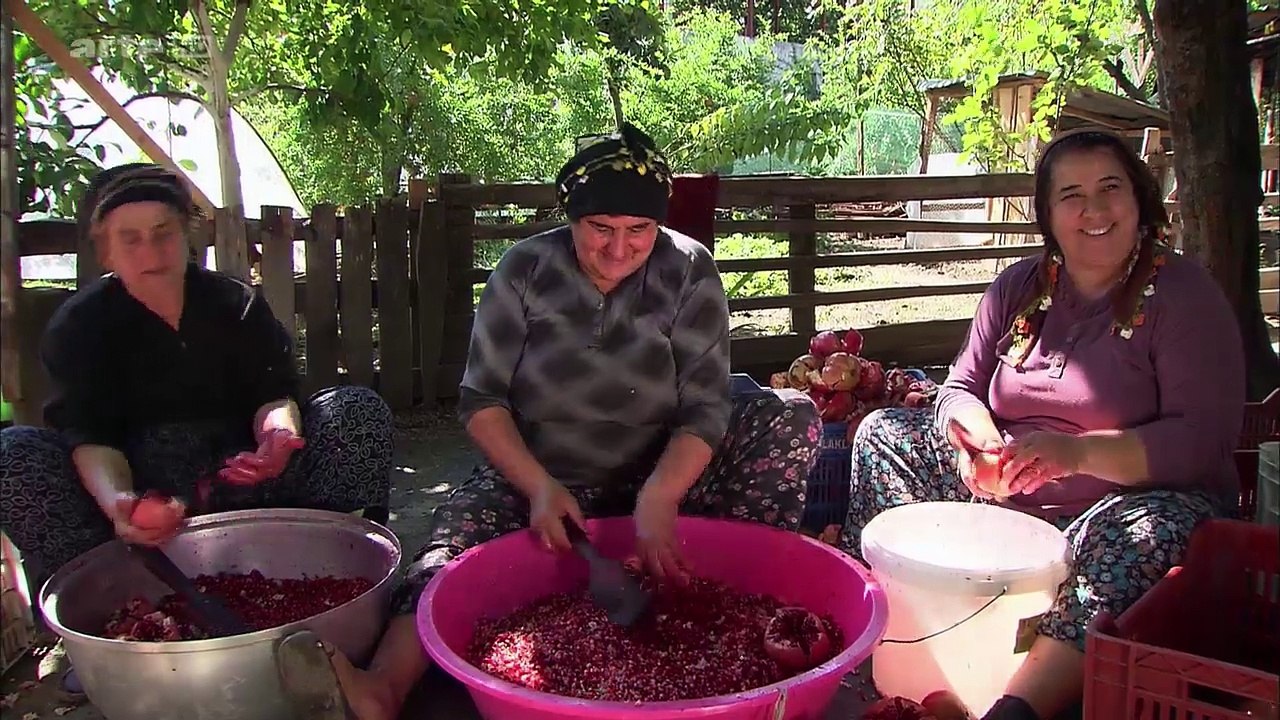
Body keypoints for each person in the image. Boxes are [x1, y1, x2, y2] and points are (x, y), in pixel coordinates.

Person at [289, 123, 823, 720]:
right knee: (450, 545)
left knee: (790, 417)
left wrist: (662, 494)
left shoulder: (688, 270)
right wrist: (539, 486)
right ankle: (383, 688)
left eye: (639, 230)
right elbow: (481, 400)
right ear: (571, 219)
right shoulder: (524, 270)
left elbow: (706, 406)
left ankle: (732, 603)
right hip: (544, 475)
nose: (619, 249)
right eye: (601, 229)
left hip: (664, 473)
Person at [836, 128, 1246, 720]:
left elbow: (1201, 443)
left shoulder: (1183, 297)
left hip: (1123, 506)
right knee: (884, 436)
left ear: (1139, 198)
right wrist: (974, 441)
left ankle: (1019, 706)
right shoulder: (1020, 287)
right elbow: (958, 389)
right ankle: (893, 636)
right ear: (1048, 215)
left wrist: (1076, 455)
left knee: (1150, 534)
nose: (1094, 210)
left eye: (1110, 188)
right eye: (1071, 195)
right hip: (1006, 499)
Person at [0, 164, 395, 698]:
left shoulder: (237, 304)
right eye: (130, 239)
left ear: (187, 236)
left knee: (355, 410)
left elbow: (275, 395)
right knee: (15, 454)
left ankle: (350, 604)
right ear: (105, 252)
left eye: (163, 232)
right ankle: (102, 636)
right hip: (134, 503)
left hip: (246, 483)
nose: (150, 251)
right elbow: (88, 435)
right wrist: (121, 502)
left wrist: (277, 440)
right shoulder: (80, 328)